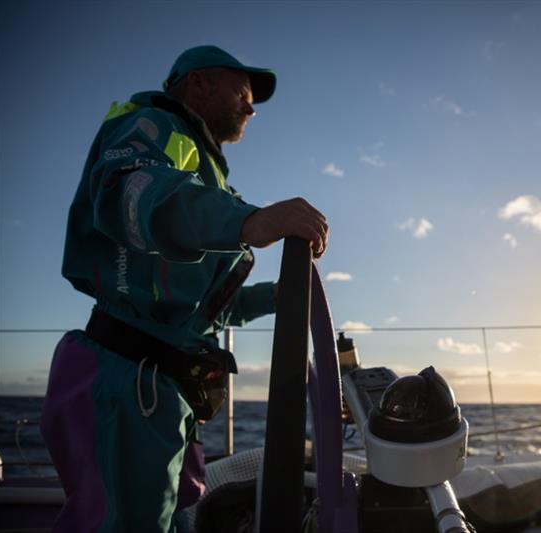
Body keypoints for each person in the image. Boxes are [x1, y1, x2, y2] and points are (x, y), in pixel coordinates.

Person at [40, 45, 329, 532]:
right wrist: (249, 221)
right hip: (129, 380)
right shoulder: (149, 126)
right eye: (242, 91)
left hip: (163, 389)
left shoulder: (205, 171)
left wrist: (279, 296)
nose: (251, 107)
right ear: (197, 83)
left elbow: (211, 307)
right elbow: (132, 195)